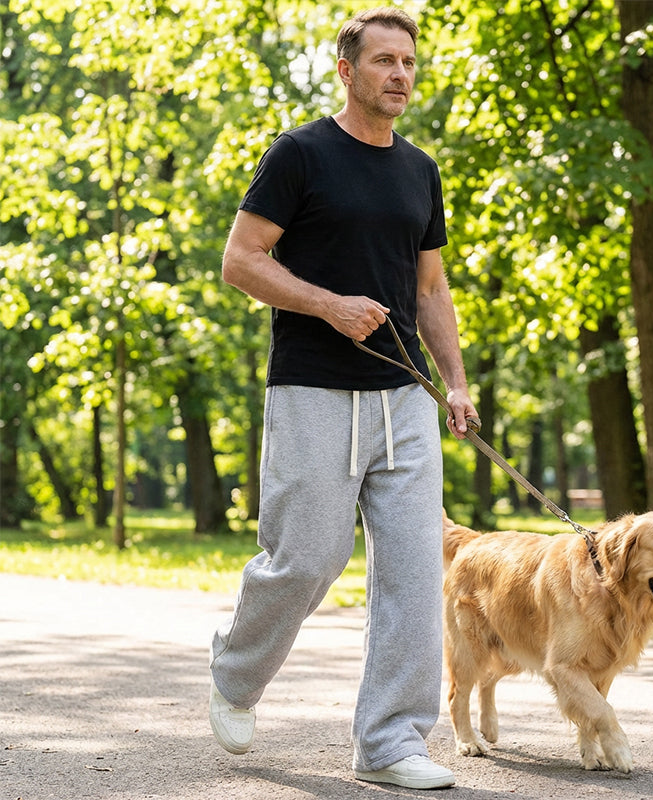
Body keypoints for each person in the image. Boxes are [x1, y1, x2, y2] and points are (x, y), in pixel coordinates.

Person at [208, 7, 477, 790]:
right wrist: (328, 305)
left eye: (409, 62)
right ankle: (235, 673)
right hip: (313, 390)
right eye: (385, 60)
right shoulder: (300, 154)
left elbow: (430, 289)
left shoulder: (420, 170)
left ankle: (390, 742)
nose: (400, 74)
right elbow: (240, 260)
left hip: (405, 396)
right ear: (346, 70)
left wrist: (456, 382)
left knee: (413, 573)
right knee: (307, 559)